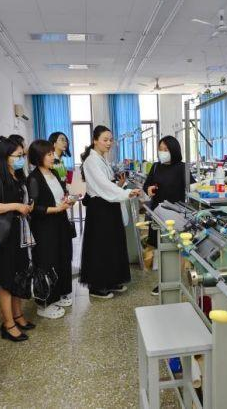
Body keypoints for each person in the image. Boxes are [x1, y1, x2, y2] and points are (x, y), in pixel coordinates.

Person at [0, 135, 35, 341]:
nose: (21, 159)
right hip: (3, 235)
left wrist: (26, 206)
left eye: (23, 155)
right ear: (5, 156)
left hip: (18, 232)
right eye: (17, 156)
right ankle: (8, 324)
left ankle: (18, 315)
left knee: (18, 276)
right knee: (6, 281)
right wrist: (15, 206)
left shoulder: (18, 176)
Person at [79, 125, 141, 299]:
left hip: (109, 206)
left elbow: (108, 183)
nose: (109, 143)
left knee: (113, 244)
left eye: (110, 140)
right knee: (101, 246)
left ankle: (112, 280)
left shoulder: (102, 159)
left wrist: (120, 187)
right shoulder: (91, 161)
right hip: (100, 209)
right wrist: (126, 193)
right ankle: (97, 286)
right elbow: (103, 185)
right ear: (95, 140)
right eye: (105, 140)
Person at [27, 140, 76, 319]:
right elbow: (33, 208)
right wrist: (56, 209)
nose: (52, 157)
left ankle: (60, 292)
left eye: (51, 153)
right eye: (48, 154)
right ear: (38, 157)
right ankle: (45, 303)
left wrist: (67, 201)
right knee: (47, 261)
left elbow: (60, 195)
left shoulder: (54, 173)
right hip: (44, 225)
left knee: (63, 257)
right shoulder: (33, 178)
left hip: (60, 221)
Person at [143, 135, 195, 296]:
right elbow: (147, 185)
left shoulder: (182, 168)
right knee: (161, 248)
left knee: (174, 248)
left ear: (174, 150)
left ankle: (174, 282)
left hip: (175, 214)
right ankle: (165, 282)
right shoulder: (156, 167)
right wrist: (148, 189)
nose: (162, 152)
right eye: (160, 149)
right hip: (157, 213)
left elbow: (193, 187)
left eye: (165, 149)